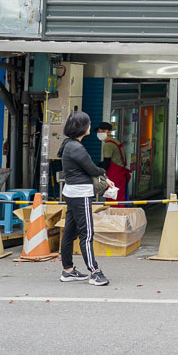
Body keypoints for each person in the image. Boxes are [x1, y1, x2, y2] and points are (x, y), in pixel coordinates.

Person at [58, 111, 111, 287]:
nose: (90, 127)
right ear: (82, 127)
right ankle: (94, 272)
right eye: (88, 124)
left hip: (72, 192)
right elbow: (92, 169)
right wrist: (104, 175)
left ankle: (68, 270)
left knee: (69, 232)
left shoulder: (69, 144)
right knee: (86, 233)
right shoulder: (76, 147)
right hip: (81, 193)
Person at [98, 122, 131, 201]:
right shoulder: (116, 142)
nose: (99, 134)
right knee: (120, 197)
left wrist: (97, 170)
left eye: (102, 131)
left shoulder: (108, 145)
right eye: (98, 132)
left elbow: (106, 162)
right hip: (121, 174)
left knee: (113, 198)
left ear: (109, 132)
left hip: (114, 175)